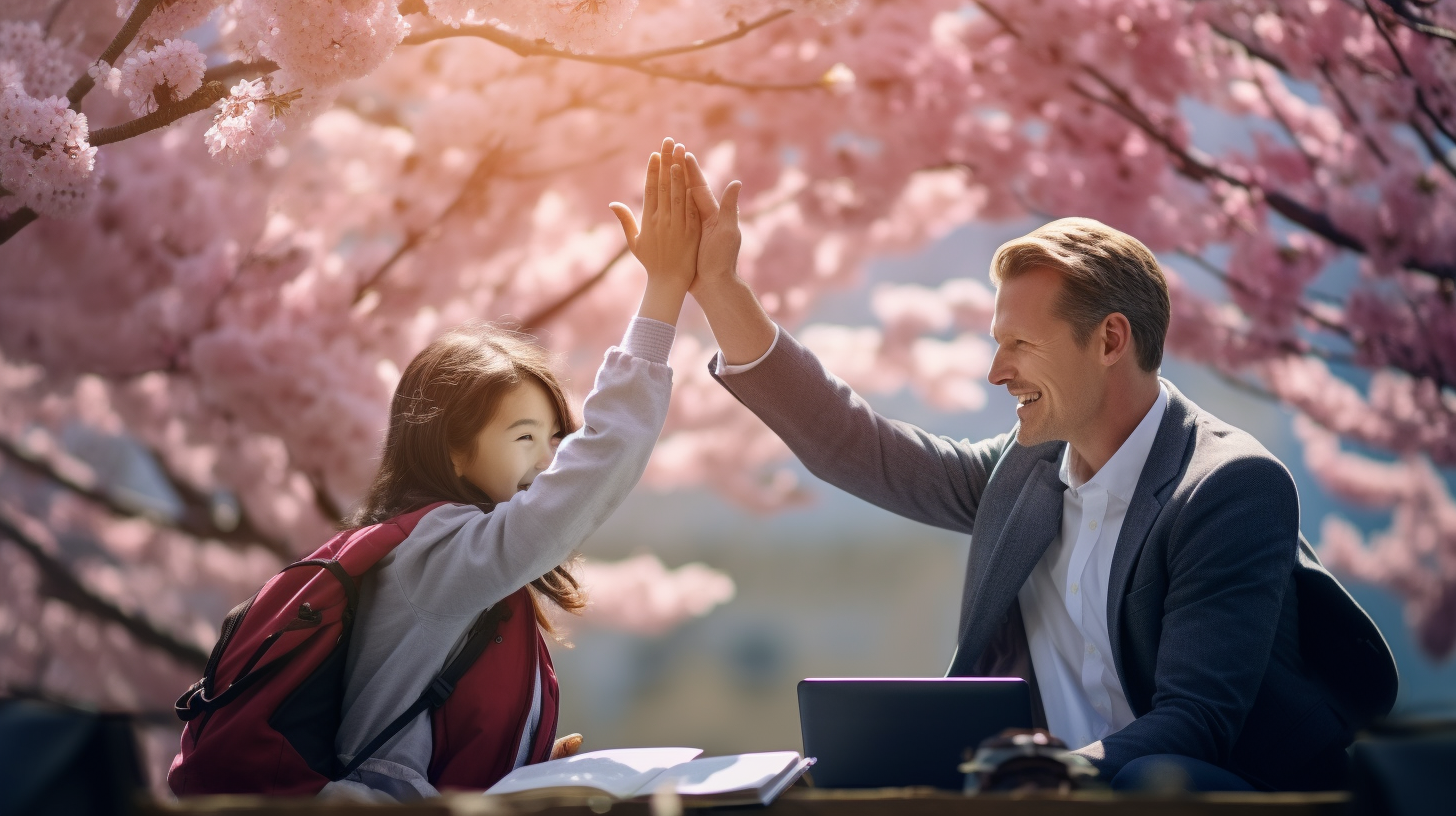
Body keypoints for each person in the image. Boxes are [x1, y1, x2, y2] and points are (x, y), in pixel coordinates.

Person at [655, 140, 1398, 792]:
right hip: (1045, 792)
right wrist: (719, 291)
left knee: (1145, 780)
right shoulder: (1022, 470)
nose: (994, 372)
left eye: (1020, 345)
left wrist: (1049, 776)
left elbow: (1196, 722)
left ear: (1111, 340)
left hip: (1205, 789)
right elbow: (856, 447)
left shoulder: (1229, 488)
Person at [322, 140, 701, 801]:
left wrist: (518, 756)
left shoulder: (434, 550)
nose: (547, 461)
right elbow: (599, 460)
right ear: (453, 450)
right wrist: (665, 290)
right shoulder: (439, 551)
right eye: (523, 436)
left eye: (554, 438)